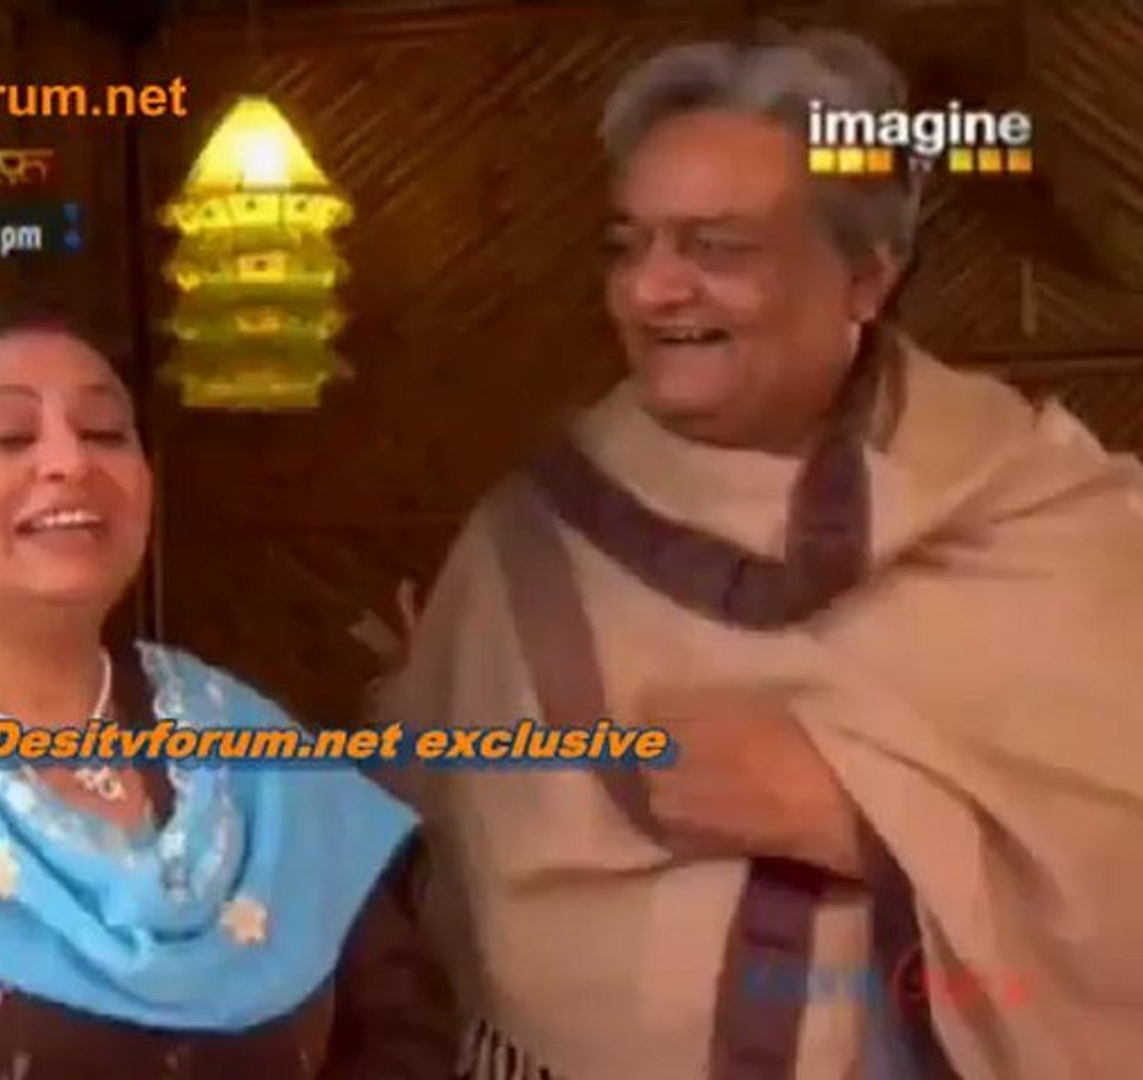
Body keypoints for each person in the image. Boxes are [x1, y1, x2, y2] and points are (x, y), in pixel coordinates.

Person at [368, 25, 1143, 1080]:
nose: (652, 290)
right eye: (628, 245)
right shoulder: (525, 545)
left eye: (717, 248)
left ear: (866, 277)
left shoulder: (1048, 516)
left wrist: (863, 816)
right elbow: (429, 839)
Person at [0, 308, 458, 1079]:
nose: (70, 461)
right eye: (10, 436)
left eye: (104, 432)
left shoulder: (256, 759)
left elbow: (402, 1032)